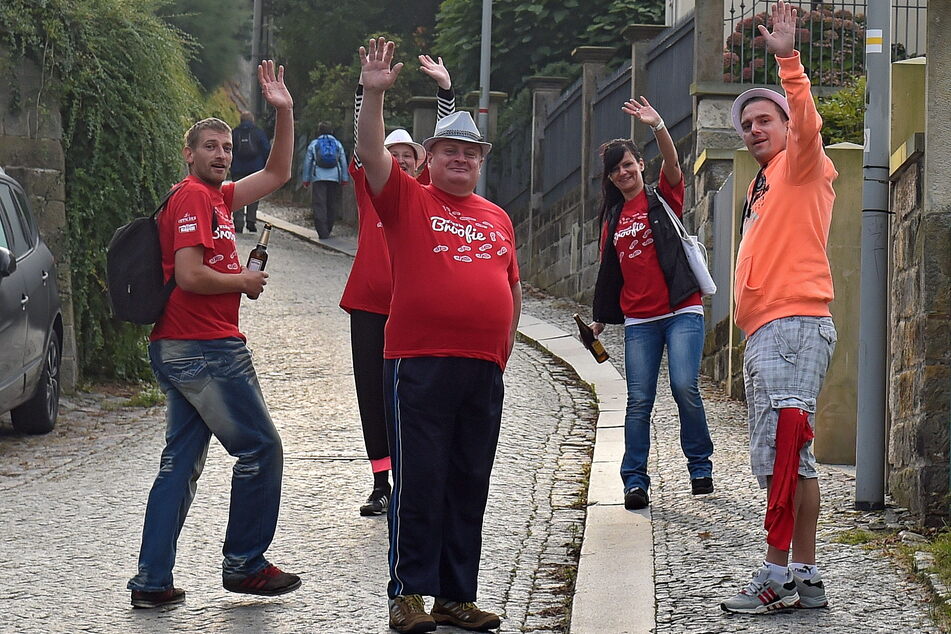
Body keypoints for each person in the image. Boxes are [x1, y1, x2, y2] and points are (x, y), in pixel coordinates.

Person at [357, 38, 521, 634]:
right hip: (419, 362)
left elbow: (512, 285)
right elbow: (372, 154)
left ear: (481, 161)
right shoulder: (407, 200)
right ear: (428, 157)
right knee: (420, 480)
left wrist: (501, 350)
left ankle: (456, 595)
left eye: (471, 152)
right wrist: (374, 93)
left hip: (482, 367)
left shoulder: (497, 216)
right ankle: (408, 594)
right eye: (450, 150)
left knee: (468, 482)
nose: (462, 159)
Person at [127, 60, 301, 609]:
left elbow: (276, 174)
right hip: (201, 347)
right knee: (261, 449)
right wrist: (244, 280)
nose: (221, 155)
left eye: (226, 147)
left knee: (180, 463)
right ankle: (245, 564)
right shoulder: (194, 198)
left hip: (186, 345)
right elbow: (189, 275)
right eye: (210, 147)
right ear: (189, 153)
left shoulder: (221, 197)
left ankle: (152, 581)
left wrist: (285, 110)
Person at [719, 1, 838, 614]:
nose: (756, 129)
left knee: (787, 452)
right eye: (748, 124)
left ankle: (779, 577)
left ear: (789, 127)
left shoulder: (801, 166)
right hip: (771, 330)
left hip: (793, 325)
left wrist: (789, 60)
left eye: (767, 120)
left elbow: (811, 125)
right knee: (783, 457)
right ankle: (805, 576)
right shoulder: (764, 185)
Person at [342, 54, 455, 518]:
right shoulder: (371, 188)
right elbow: (361, 139)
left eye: (410, 157)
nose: (402, 162)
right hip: (369, 305)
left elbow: (448, 144)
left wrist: (446, 93)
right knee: (371, 392)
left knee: (414, 393)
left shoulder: (427, 192)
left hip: (414, 307)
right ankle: (381, 480)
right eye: (395, 156)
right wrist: (368, 89)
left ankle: (414, 478)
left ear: (420, 162)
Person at [590, 99, 715, 513]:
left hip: (682, 309)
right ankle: (634, 481)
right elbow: (611, 272)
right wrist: (600, 320)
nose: (623, 173)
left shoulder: (664, 198)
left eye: (628, 165)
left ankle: (699, 467)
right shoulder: (612, 217)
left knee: (684, 386)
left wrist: (658, 124)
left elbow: (675, 165)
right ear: (610, 177)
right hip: (639, 319)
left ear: (639, 165)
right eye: (615, 169)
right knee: (638, 399)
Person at [302, 121, 349, 238]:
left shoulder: (314, 144)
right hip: (334, 178)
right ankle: (328, 228)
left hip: (318, 177)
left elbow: (308, 162)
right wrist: (344, 178)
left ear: (319, 131)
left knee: (319, 204)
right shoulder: (337, 144)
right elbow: (343, 161)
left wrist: (306, 179)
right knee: (332, 203)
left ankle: (322, 231)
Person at [230, 110, 271, 233]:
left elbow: (228, 149)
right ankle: (251, 221)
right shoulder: (258, 133)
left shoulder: (234, 133)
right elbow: (266, 149)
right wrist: (264, 165)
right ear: (252, 120)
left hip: (238, 169)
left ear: (241, 120)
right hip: (255, 169)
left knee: (237, 195)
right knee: (254, 194)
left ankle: (238, 222)